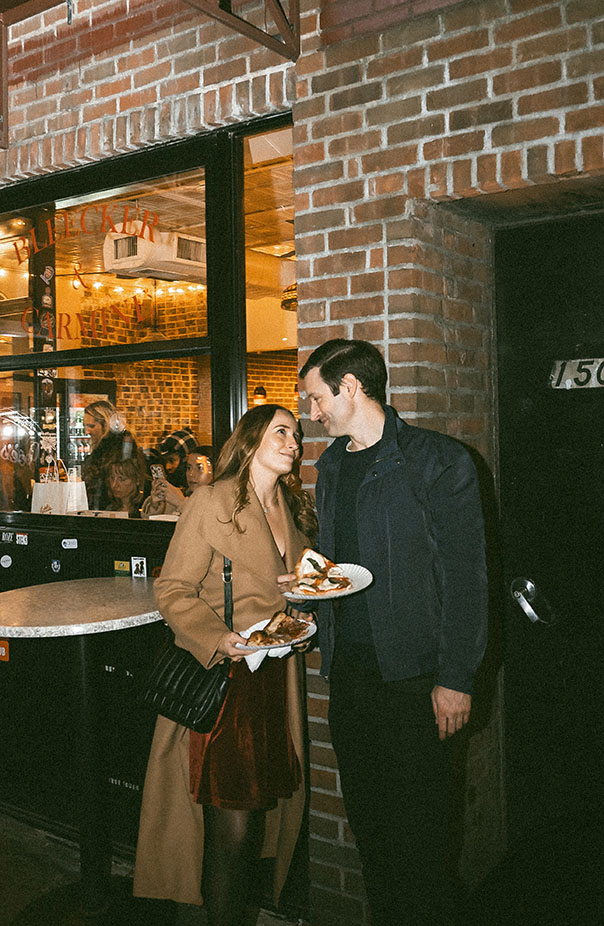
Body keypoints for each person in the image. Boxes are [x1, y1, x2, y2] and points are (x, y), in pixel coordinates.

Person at [287, 339, 488, 926]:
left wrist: (456, 678)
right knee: (372, 832)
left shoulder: (438, 461)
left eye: (315, 398)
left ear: (350, 388)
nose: (310, 412)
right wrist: (305, 593)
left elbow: (466, 578)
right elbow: (338, 565)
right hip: (350, 680)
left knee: (424, 840)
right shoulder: (330, 468)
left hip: (419, 681)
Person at [134, 405, 317, 926]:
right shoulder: (212, 501)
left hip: (275, 679)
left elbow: (290, 590)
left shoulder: (291, 505)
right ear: (252, 440)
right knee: (231, 828)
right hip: (224, 679)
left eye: (297, 434)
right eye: (281, 432)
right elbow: (171, 589)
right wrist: (220, 637)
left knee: (257, 821)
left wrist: (298, 619)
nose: (294, 442)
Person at [81, 400, 144, 510]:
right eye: (85, 426)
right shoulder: (116, 446)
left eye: (91, 426)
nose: (87, 431)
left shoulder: (114, 449)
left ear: (105, 425)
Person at [141, 445, 213, 519]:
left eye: (199, 468)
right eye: (188, 468)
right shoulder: (177, 498)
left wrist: (181, 503)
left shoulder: (220, 502)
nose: (191, 474)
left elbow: (209, 523)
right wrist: (155, 506)